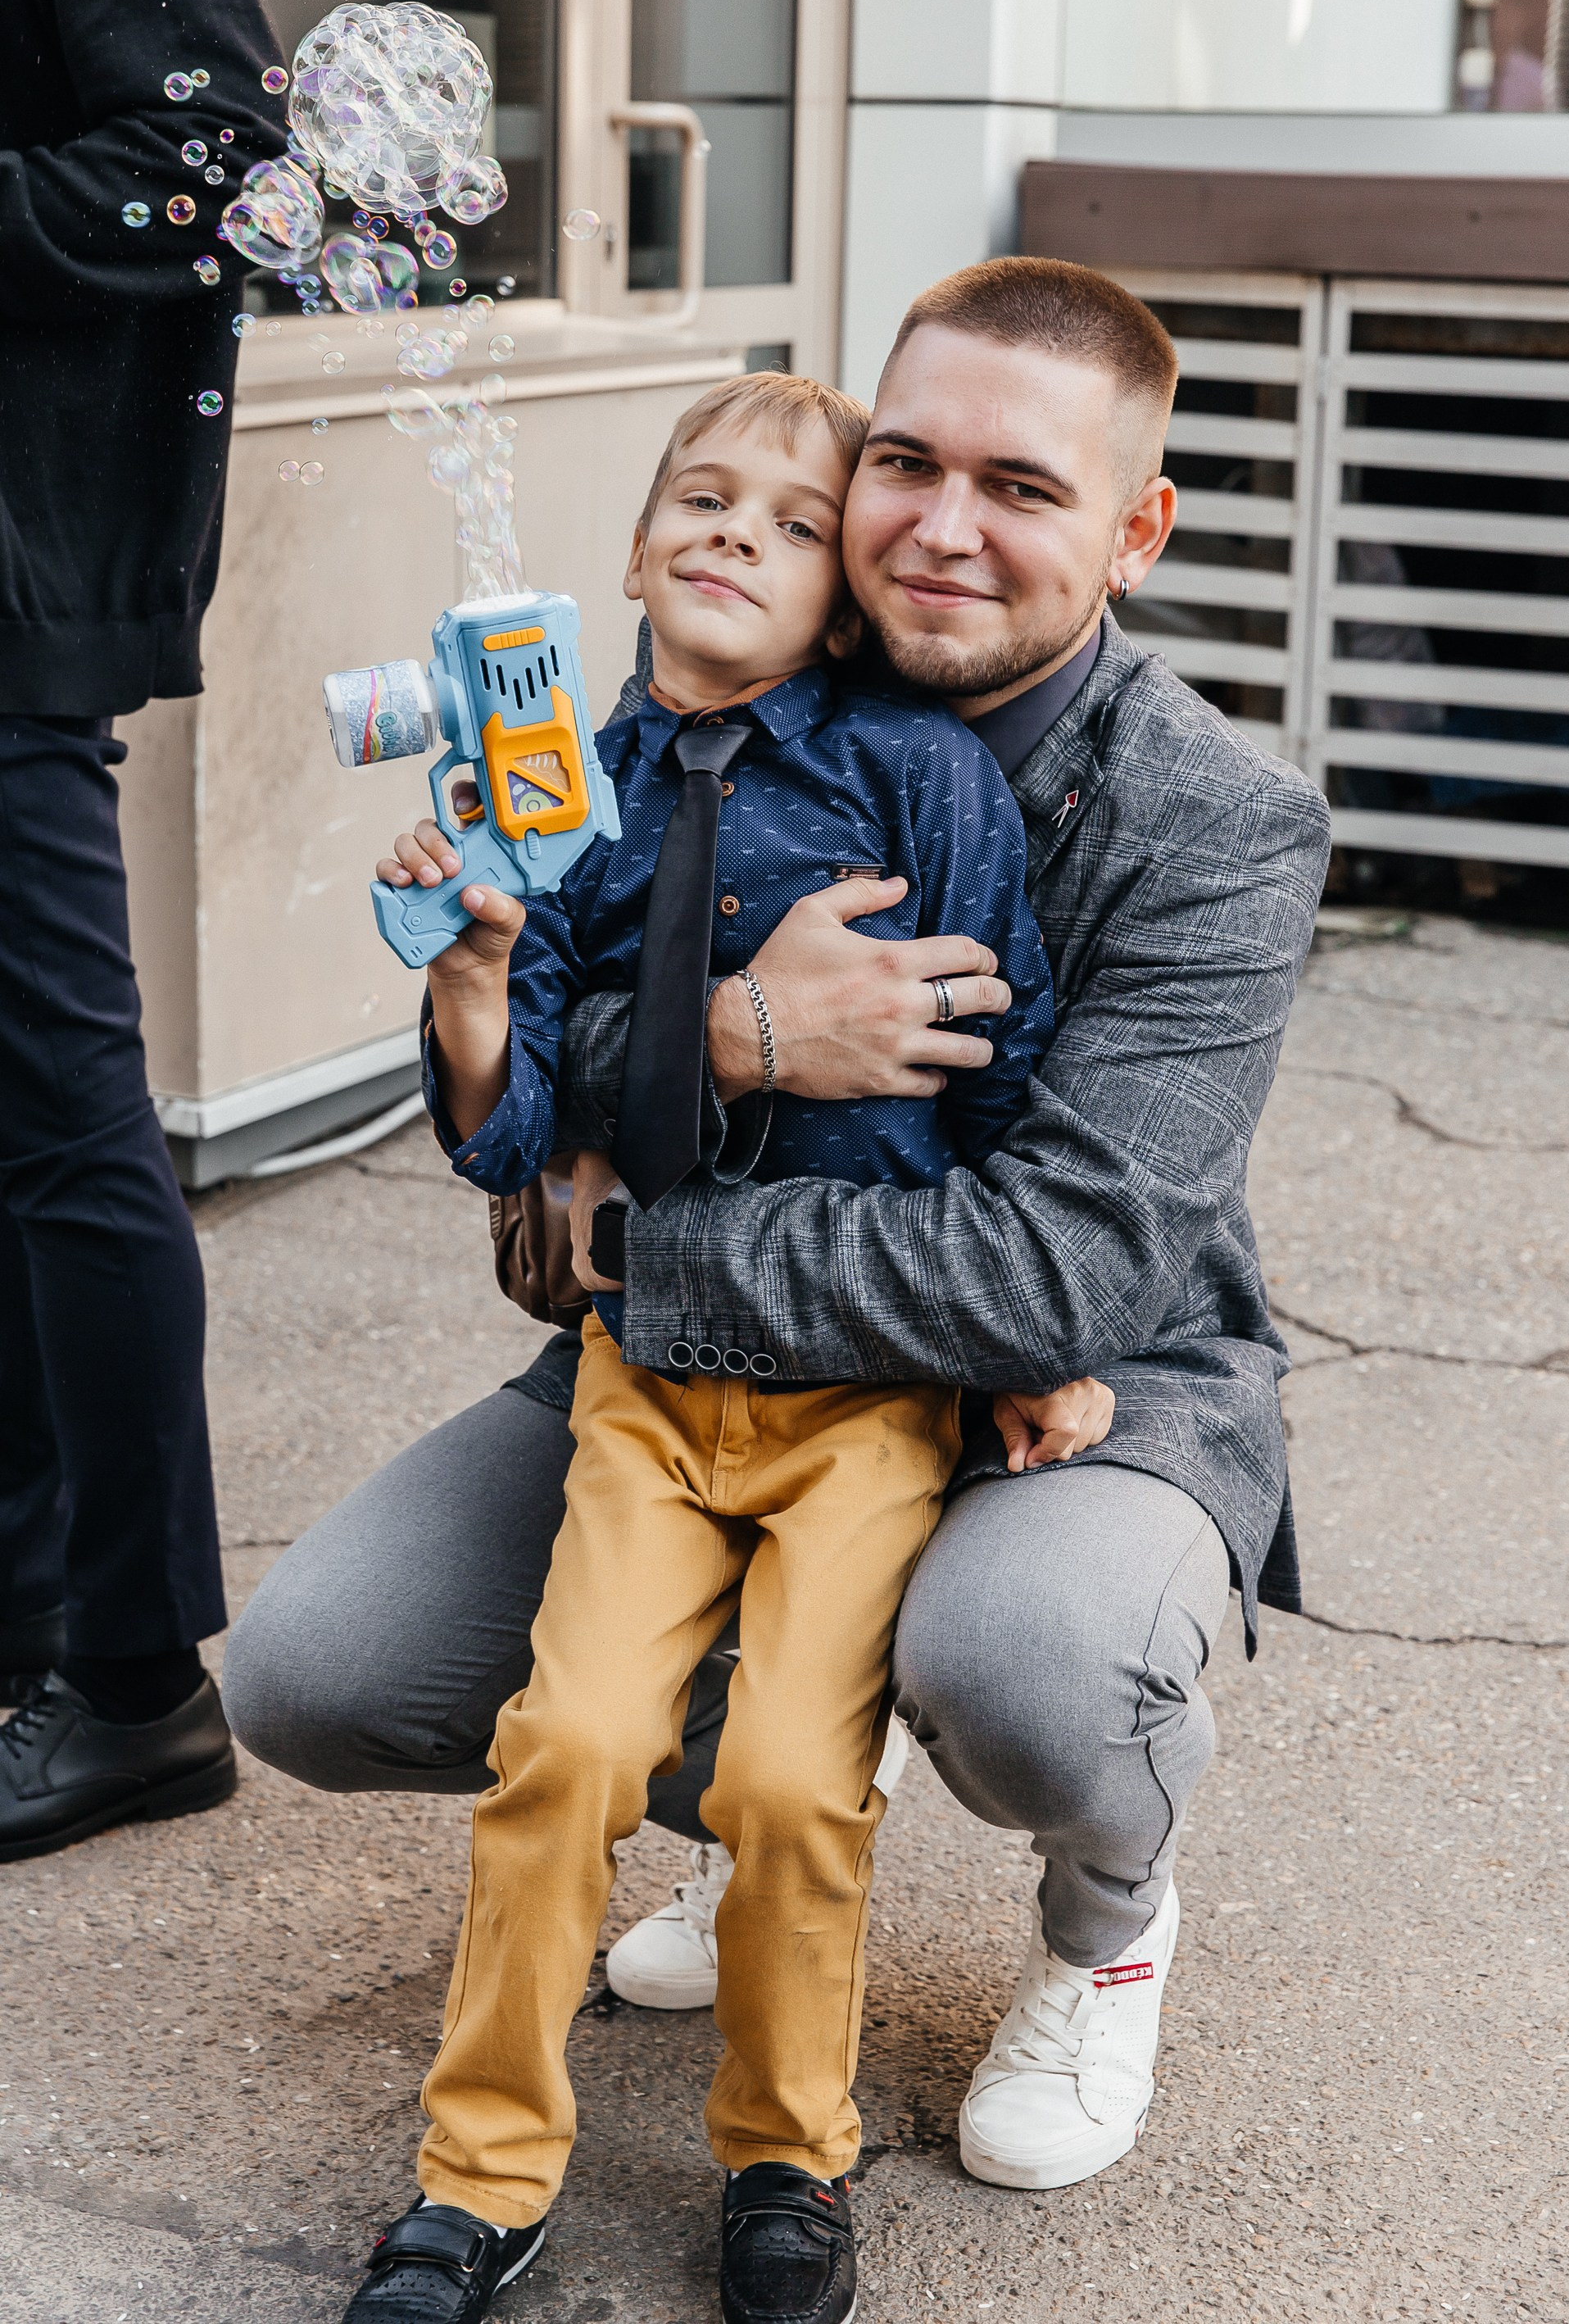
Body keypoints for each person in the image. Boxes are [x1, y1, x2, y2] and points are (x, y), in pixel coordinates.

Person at [224, 257, 1330, 2217]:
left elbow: (1052, 1271)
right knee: (320, 1670)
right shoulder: (690, 714)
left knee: (1031, 1658)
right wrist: (729, 1030)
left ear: (1137, 530)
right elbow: (539, 1019)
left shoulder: (1212, 821)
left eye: (1024, 486)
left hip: (1067, 1385)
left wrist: (628, 1245)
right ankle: (769, 1783)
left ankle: (1108, 1914)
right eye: (901, 463)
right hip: (699, 1377)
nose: (940, 526)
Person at [340, 369, 1115, 2324]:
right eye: (699, 499)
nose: (729, 535)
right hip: (648, 1389)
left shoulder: (909, 776)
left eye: (785, 524)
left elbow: (1003, 1063)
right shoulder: (562, 786)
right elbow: (519, 1144)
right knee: (569, 1747)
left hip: (863, 1395)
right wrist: (479, 983)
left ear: (834, 601)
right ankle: (479, 2175)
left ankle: (788, 2159)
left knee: (784, 1778)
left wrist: (1035, 1334)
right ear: (629, 547)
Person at [0, 0, 286, 1856]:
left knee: (64, 1123)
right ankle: (38, 1628)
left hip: (13, 576)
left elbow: (217, 157)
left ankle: (132, 1685)